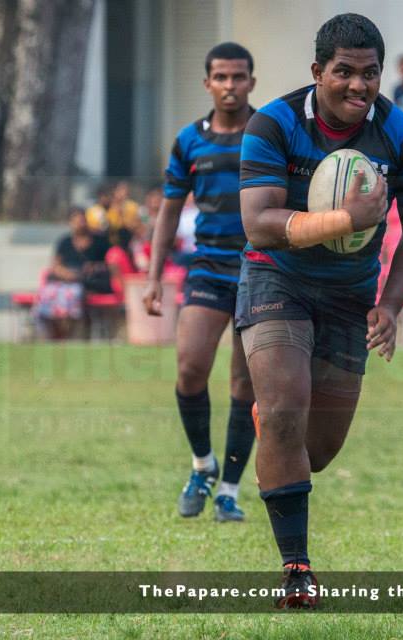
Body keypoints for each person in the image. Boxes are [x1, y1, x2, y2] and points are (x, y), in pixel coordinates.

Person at [239, 13, 403, 607]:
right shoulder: (273, 123)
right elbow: (259, 223)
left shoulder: (400, 134)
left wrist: (392, 304)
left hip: (351, 295)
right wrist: (344, 219)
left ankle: (273, 423)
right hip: (278, 278)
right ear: (317, 71)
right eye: (344, 72)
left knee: (317, 452)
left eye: (370, 73)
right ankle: (297, 570)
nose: (359, 85)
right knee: (284, 412)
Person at [142, 42, 258, 523]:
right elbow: (169, 211)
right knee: (190, 367)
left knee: (245, 383)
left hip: (261, 270)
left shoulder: (268, 134)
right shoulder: (189, 141)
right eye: (221, 77)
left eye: (238, 77)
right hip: (208, 266)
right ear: (207, 83)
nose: (230, 85)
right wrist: (153, 277)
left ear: (251, 81)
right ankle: (202, 465)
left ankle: (229, 490)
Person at [36, 207, 112, 340]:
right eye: (76, 221)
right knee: (48, 294)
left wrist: (94, 267)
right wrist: (67, 275)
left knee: (74, 293)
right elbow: (55, 266)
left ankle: (72, 335)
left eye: (82, 221)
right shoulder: (64, 242)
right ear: (70, 223)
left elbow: (110, 264)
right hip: (65, 281)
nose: (80, 224)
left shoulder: (99, 241)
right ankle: (54, 336)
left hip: (88, 283)